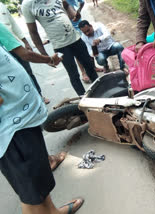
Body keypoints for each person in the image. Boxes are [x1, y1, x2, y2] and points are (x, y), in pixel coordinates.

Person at [0, 24, 84, 214]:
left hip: (21, 121)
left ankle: (52, 211)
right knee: (31, 197)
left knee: (38, 185)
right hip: (10, 132)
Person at [22, 0, 98, 96]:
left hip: (76, 39)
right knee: (74, 75)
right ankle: (84, 100)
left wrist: (74, 14)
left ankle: (100, 93)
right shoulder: (28, 4)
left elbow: (66, 5)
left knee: (90, 67)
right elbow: (33, 32)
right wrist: (44, 55)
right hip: (60, 46)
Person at [0, 2, 50, 104]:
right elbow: (26, 55)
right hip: (5, 53)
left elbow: (13, 25)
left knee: (27, 73)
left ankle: (39, 96)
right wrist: (49, 59)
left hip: (15, 45)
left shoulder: (1, 5)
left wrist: (25, 42)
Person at [66, 0, 104, 84]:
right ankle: (83, 73)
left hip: (80, 26)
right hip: (70, 29)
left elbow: (82, 2)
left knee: (88, 48)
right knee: (78, 53)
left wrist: (77, 12)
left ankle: (93, 67)